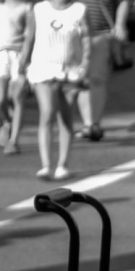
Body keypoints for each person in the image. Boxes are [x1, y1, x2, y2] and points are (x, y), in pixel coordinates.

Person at [20, 0, 89, 180]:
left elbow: (87, 38)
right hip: (43, 68)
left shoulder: (79, 10)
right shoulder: (39, 9)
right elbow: (29, 38)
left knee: (65, 116)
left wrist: (85, 65)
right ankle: (46, 165)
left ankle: (62, 164)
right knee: (48, 111)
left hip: (70, 70)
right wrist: (21, 66)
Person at [74, 0, 128, 141]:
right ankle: (88, 124)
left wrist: (120, 24)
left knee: (97, 79)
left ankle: (94, 124)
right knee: (81, 80)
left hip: (101, 34)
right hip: (75, 33)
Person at [0, 0, 32, 155]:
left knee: (17, 97)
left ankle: (13, 141)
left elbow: (30, 36)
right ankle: (6, 123)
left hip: (18, 55)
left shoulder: (26, 8)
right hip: (1, 55)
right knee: (1, 99)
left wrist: (25, 59)